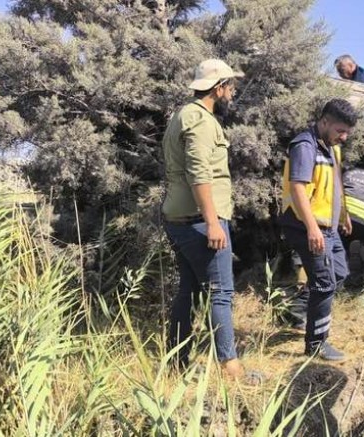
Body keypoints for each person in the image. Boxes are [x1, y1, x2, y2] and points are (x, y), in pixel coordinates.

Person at [161, 59, 255, 381]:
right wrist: (213, 222)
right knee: (221, 292)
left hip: (181, 217)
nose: (233, 92)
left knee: (188, 290)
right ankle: (231, 368)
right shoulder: (200, 120)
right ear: (218, 88)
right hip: (200, 220)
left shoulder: (184, 115)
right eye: (231, 86)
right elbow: (199, 172)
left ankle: (177, 362)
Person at [279, 98, 358, 362]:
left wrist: (343, 214)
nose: (344, 137)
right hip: (307, 227)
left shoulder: (332, 147)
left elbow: (335, 183)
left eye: (347, 132)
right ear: (324, 122)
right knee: (324, 284)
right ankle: (316, 344)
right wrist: (312, 228)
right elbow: (298, 188)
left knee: (339, 274)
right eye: (340, 131)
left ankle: (297, 310)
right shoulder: (305, 145)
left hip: (329, 227)